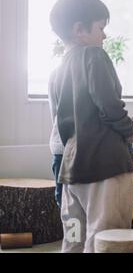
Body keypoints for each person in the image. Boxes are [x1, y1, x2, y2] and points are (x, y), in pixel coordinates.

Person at [49, 0, 133, 253]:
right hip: (106, 167)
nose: (104, 35)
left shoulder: (57, 72)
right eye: (101, 28)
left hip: (71, 170)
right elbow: (110, 106)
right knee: (107, 236)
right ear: (79, 29)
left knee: (74, 235)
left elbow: (60, 123)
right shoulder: (94, 56)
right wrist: (131, 131)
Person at [48, 68, 64, 207]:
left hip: (60, 145)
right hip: (66, 147)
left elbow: (54, 112)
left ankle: (70, 229)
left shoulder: (56, 73)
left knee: (64, 201)